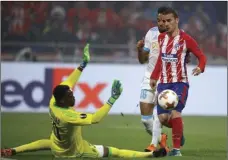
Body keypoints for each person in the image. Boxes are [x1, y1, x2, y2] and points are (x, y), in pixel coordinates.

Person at [1, 44, 167, 159]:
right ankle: (150, 155)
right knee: (113, 152)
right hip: (74, 152)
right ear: (63, 100)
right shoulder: (68, 116)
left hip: (58, 143)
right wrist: (112, 99)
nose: (73, 95)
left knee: (47, 142)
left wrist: (82, 65)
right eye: (69, 96)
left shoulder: (53, 102)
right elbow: (95, 119)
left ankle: (12, 151)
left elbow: (70, 81)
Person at [150, 7, 207, 156]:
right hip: (163, 84)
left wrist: (201, 67)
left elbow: (201, 56)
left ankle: (176, 150)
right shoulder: (161, 38)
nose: (166, 23)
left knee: (175, 113)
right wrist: (154, 77)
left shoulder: (185, 39)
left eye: (169, 20)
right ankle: (179, 131)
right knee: (163, 118)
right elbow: (160, 61)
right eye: (163, 21)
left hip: (180, 83)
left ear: (176, 20)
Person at [136, 7, 191, 152]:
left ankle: (155, 145)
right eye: (159, 20)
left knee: (158, 114)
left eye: (164, 20)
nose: (161, 23)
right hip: (149, 78)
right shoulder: (151, 33)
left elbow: (187, 56)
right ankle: (166, 137)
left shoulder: (180, 35)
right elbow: (143, 60)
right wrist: (139, 50)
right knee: (146, 120)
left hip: (167, 79)